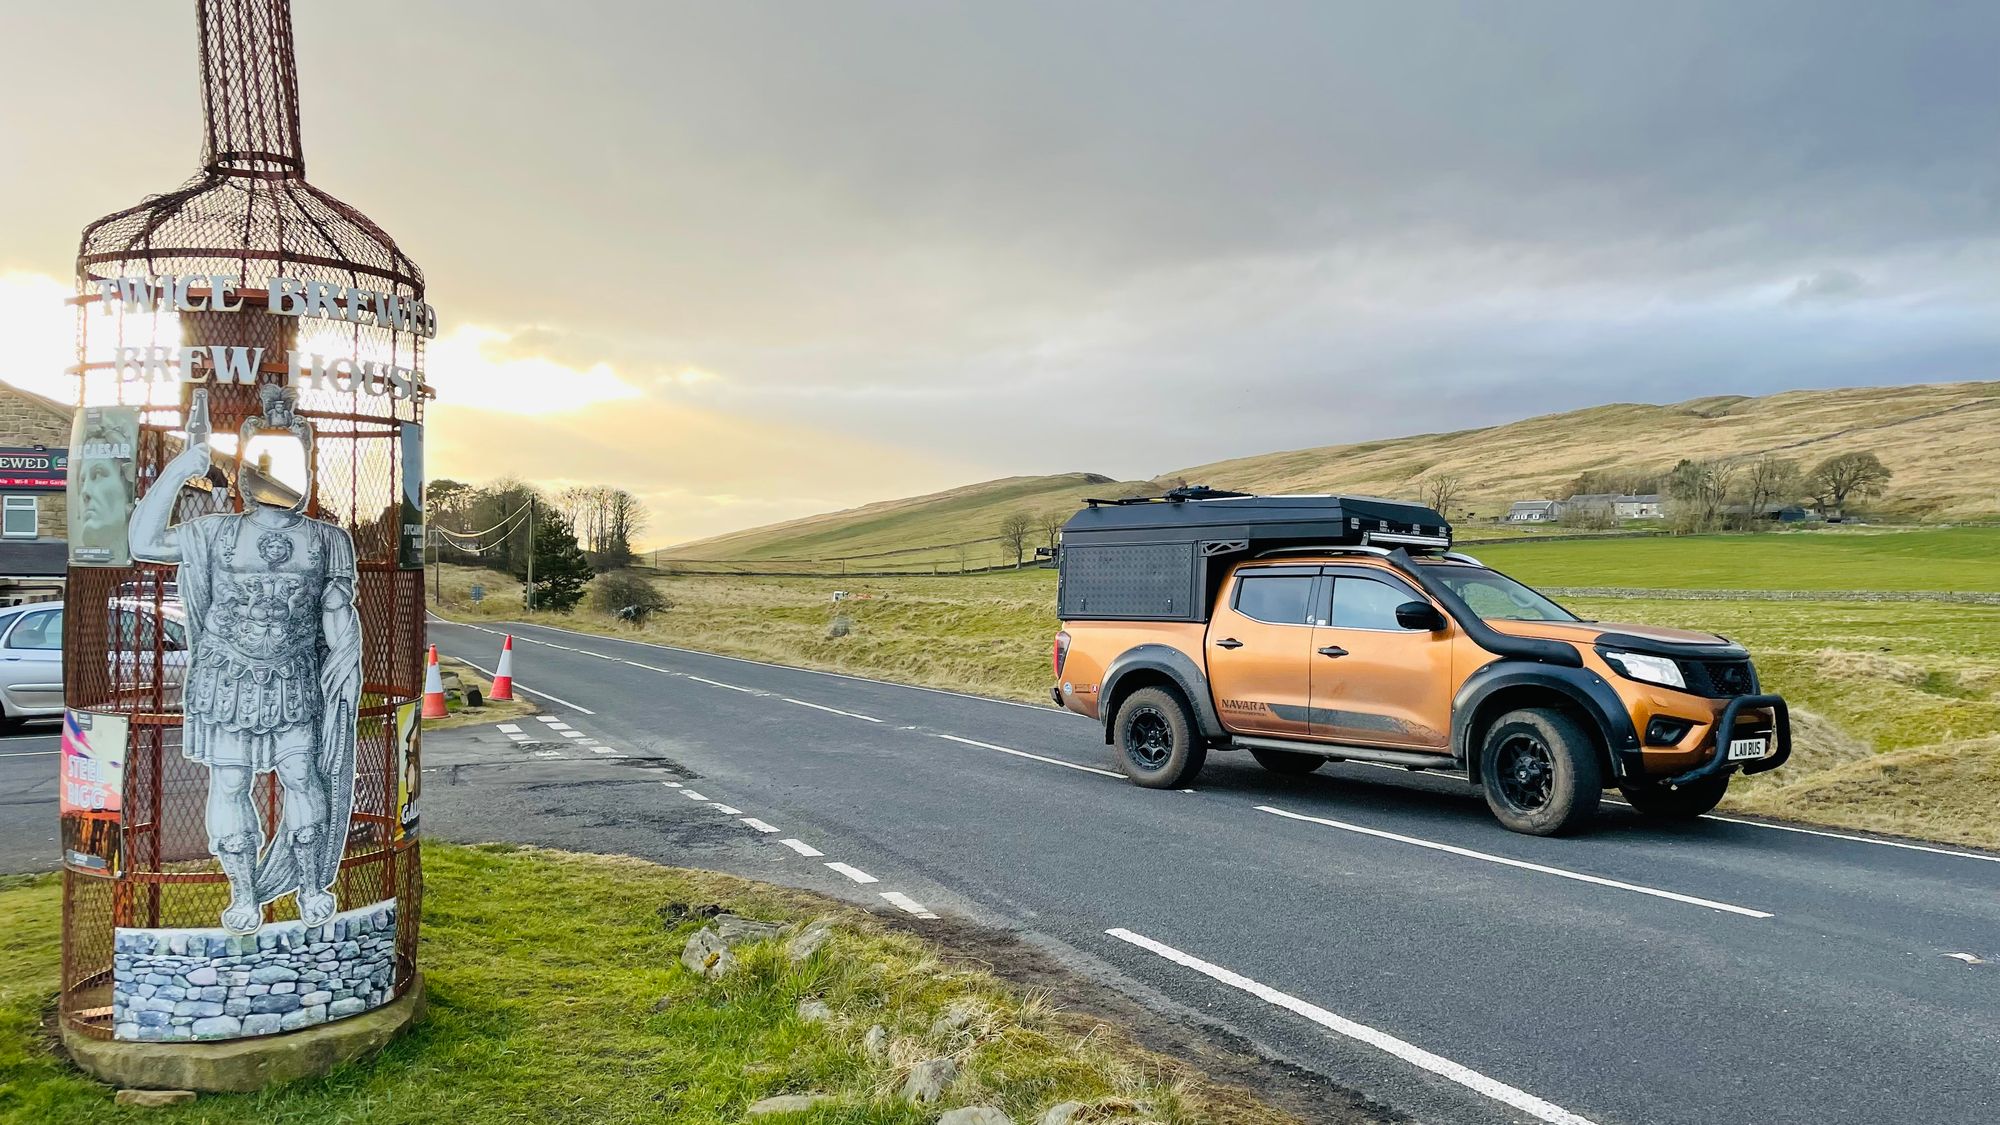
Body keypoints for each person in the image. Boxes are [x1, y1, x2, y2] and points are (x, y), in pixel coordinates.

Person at [127, 386, 362, 934]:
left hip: (294, 678)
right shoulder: (215, 532)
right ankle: (243, 896)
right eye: (267, 458)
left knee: (304, 778)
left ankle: (309, 887)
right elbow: (143, 540)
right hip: (226, 679)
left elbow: (336, 613)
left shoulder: (329, 541)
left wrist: (344, 661)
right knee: (229, 784)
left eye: (289, 457)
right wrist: (183, 468)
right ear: (246, 467)